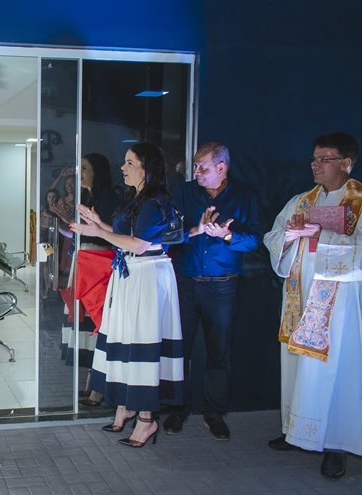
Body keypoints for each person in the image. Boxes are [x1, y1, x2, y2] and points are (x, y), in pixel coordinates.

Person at [263, 133, 362, 480]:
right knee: (297, 365)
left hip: (340, 306)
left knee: (334, 370)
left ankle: (335, 444)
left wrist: (321, 236)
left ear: (346, 163)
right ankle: (296, 430)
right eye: (314, 159)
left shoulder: (359, 202)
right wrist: (290, 237)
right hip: (300, 296)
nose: (315, 165)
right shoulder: (301, 201)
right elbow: (272, 236)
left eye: (325, 159)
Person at [71, 142, 183, 447]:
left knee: (142, 342)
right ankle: (127, 405)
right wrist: (98, 224)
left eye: (130, 162)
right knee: (126, 340)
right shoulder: (138, 198)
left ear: (147, 168)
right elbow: (127, 236)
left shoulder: (155, 202)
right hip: (131, 275)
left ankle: (146, 419)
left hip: (145, 276)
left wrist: (98, 232)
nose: (123, 168)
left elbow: (139, 244)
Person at [166, 142, 263, 441]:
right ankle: (177, 409)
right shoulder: (182, 193)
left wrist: (228, 235)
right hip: (184, 282)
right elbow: (166, 233)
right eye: (195, 166)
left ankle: (214, 413)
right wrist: (193, 231)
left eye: (202, 167)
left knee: (219, 352)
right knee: (178, 349)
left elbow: (255, 241)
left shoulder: (245, 195)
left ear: (221, 167)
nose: (195, 171)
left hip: (222, 286)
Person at [68, 153, 121, 406]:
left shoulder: (108, 197)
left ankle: (99, 387)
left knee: (99, 324)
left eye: (86, 168)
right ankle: (92, 383)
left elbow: (108, 233)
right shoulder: (88, 197)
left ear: (97, 171)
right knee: (90, 324)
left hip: (98, 264)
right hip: (86, 261)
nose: (81, 173)